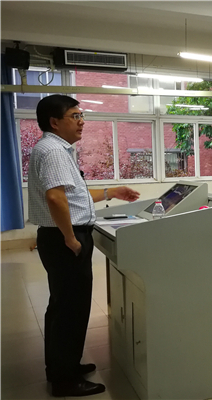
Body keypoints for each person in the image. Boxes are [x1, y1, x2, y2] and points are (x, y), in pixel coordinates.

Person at [30, 95, 141, 396]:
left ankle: (62, 366)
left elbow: (73, 196)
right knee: (71, 310)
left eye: (82, 115)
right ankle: (65, 380)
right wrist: (70, 238)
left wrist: (112, 192)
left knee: (63, 306)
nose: (82, 122)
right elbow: (56, 198)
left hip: (60, 236)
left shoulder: (54, 148)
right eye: (75, 116)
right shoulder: (54, 151)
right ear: (54, 122)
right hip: (65, 239)